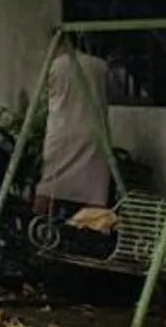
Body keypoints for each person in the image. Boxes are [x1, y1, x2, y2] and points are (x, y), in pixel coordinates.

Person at [34, 42, 112, 215]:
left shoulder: (55, 65)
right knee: (95, 191)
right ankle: (94, 231)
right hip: (93, 131)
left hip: (61, 131)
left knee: (49, 185)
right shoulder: (100, 66)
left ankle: (37, 227)